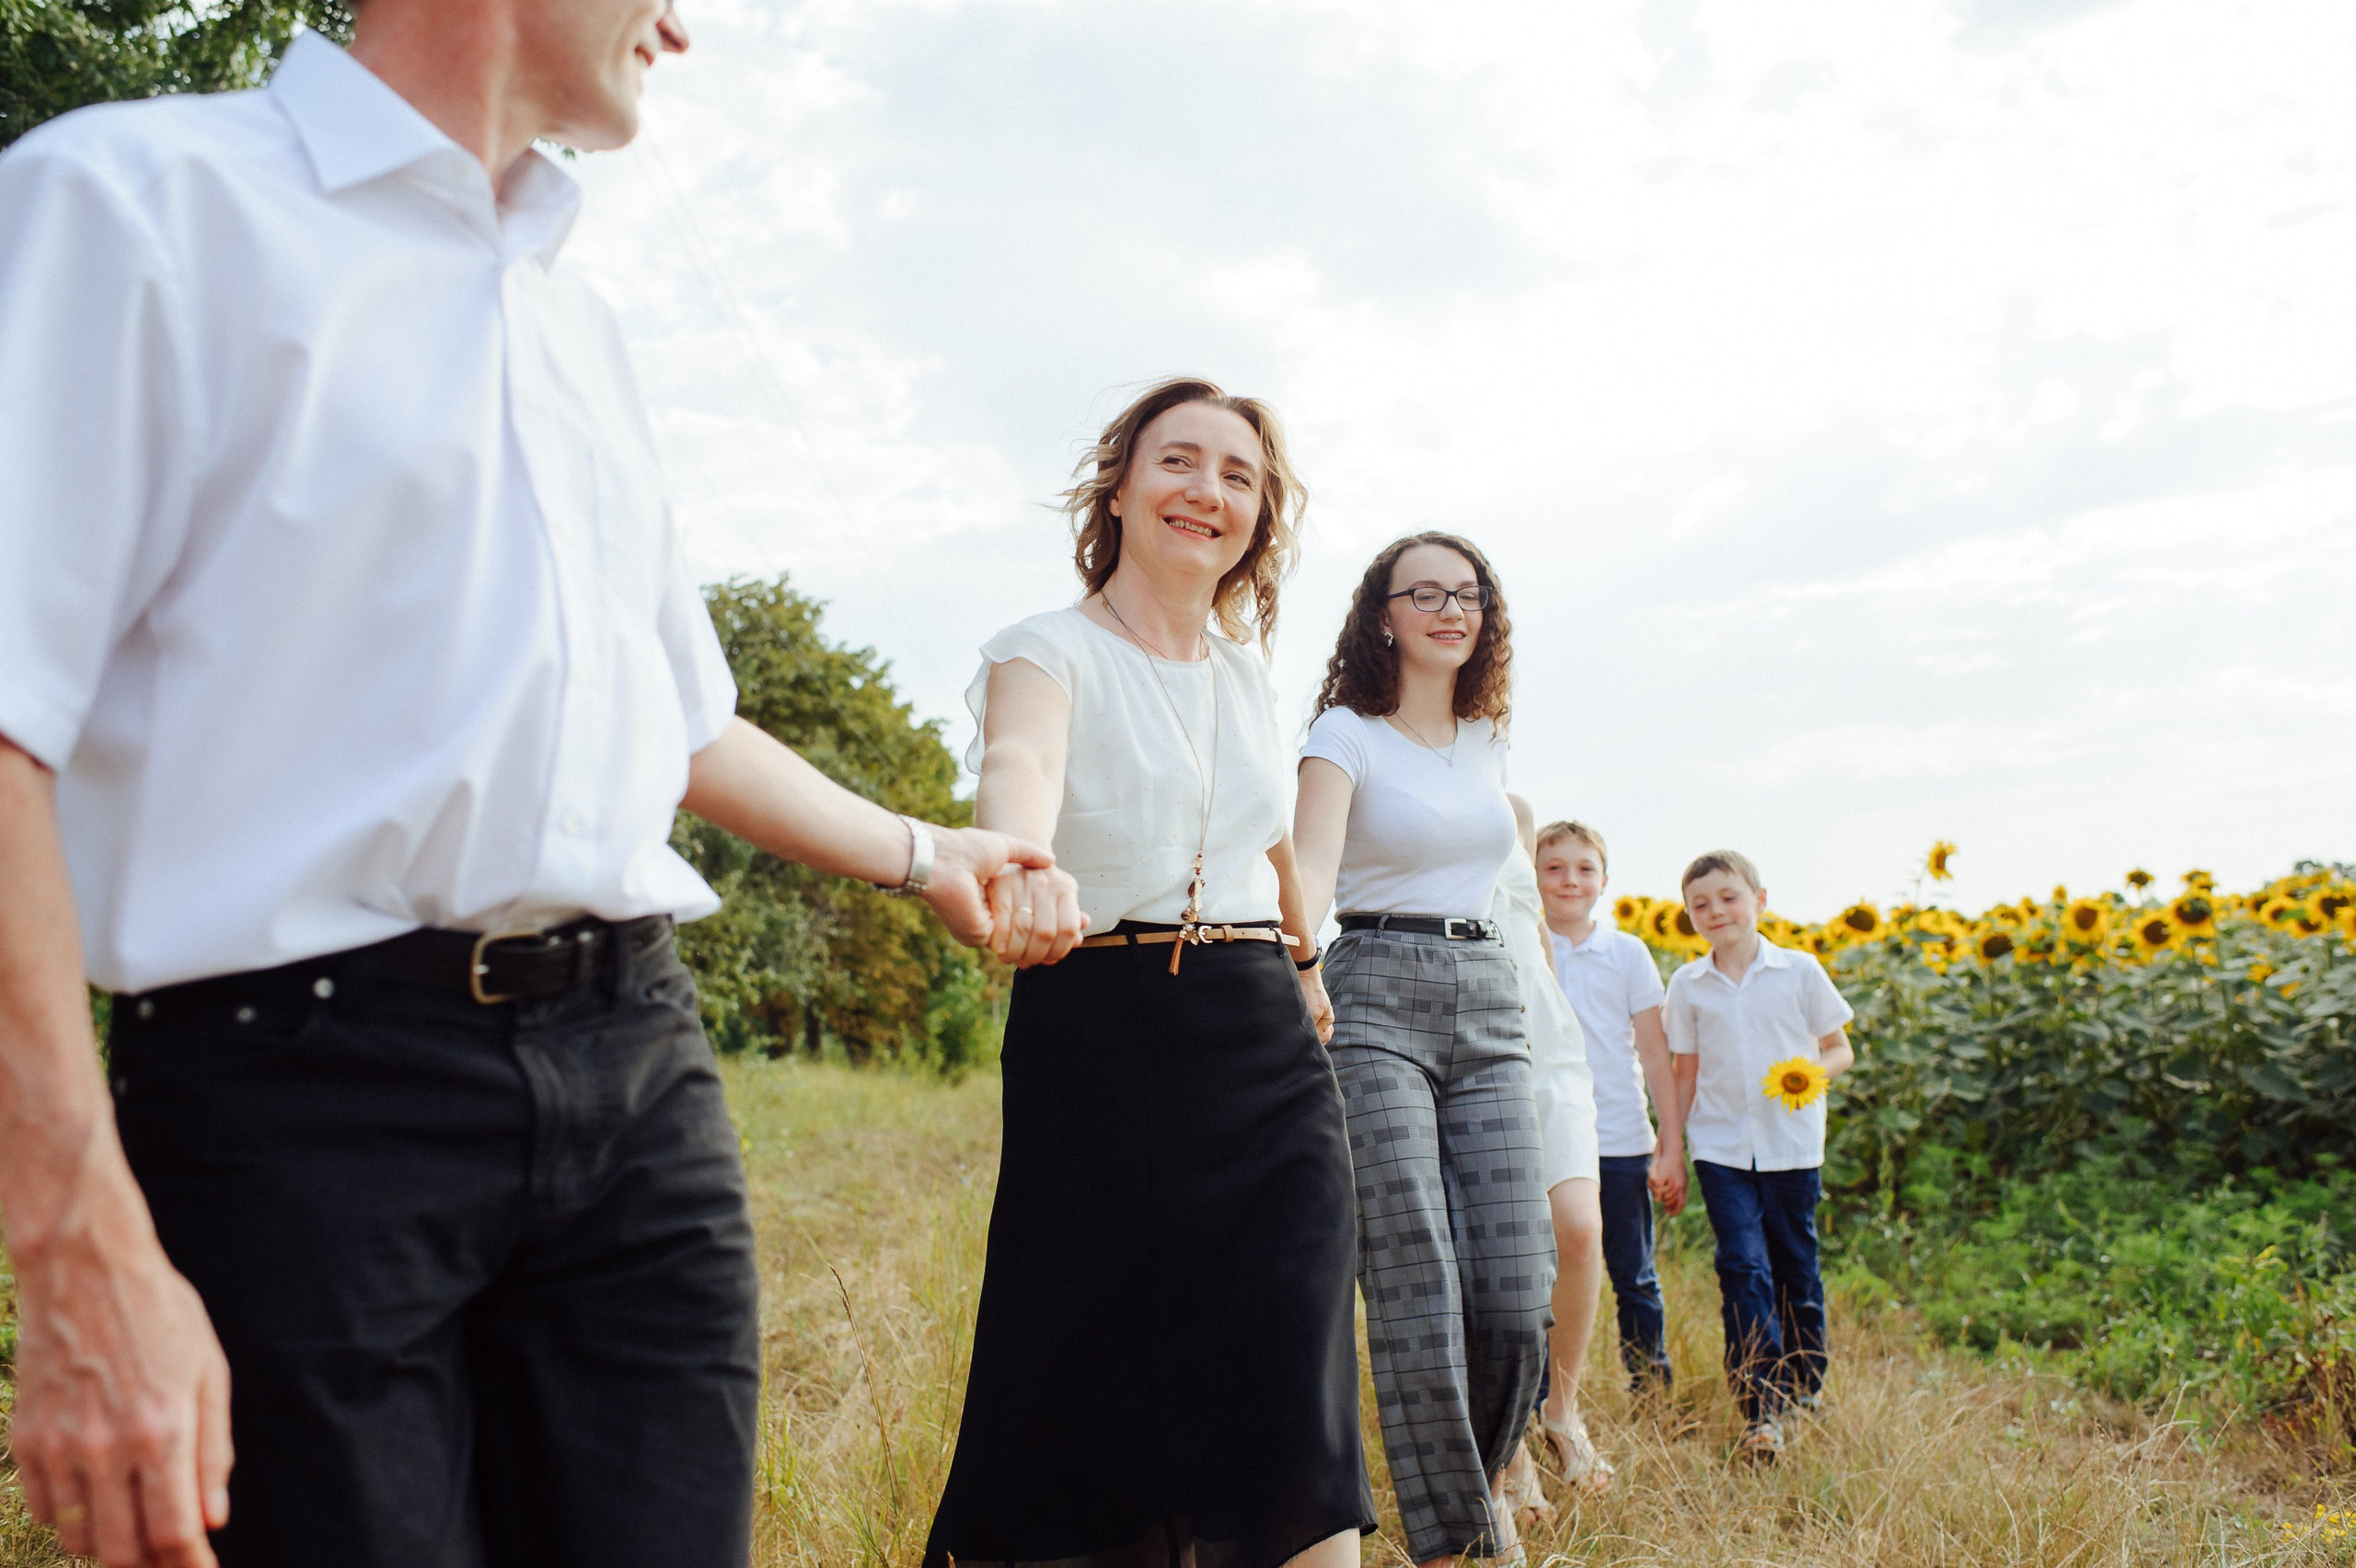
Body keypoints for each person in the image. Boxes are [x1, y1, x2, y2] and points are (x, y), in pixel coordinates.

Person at [0, 6, 1072, 1565]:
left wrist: (928, 849)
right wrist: (74, 1236)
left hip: (638, 1080)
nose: (681, 26)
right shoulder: (131, 203)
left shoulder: (576, 328)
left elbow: (677, 723)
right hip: (301, 1102)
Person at [924, 377, 1373, 1568]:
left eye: (1238, 476)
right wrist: (1017, 856)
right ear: (1119, 488)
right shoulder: (1046, 650)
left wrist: (1306, 957)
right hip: (1099, 1033)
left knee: (1295, 1387)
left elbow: (1268, 829)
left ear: (1259, 519)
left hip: (1265, 1048)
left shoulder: (1241, 673)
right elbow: (1020, 758)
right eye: (1180, 462)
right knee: (1095, 1387)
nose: (1206, 492)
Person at [1294, 532, 1553, 1568]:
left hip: (1491, 1000)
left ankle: (1481, 1476)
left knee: (1513, 1290)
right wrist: (1297, 963)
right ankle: (1457, 1541)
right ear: (1383, 613)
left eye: (1471, 594)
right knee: (1413, 1273)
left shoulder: (1489, 736)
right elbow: (1311, 867)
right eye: (1427, 593)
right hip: (1375, 993)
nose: (1452, 610)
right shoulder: (1344, 734)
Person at [1654, 850, 1856, 1458]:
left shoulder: (1799, 971)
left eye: (1728, 897)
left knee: (1797, 1268)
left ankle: (1804, 1385)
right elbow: (1683, 1073)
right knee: (1743, 1270)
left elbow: (1839, 1049)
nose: (1716, 911)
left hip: (1792, 1146)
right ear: (1689, 915)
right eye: (1701, 904)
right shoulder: (1688, 986)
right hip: (1722, 1151)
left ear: (1760, 900)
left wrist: (1809, 1074)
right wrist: (1672, 1148)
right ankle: (1760, 1408)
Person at [1488, 799, 1609, 1516]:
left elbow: (1533, 927)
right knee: (1501, 1255)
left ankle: (1560, 1410)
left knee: (1580, 1230)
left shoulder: (1516, 810)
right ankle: (1512, 1443)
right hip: (1471, 1028)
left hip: (1549, 1045)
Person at [1533, 821, 1677, 1404]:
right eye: (1554, 867)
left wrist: (1669, 1143)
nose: (1570, 879)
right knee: (1545, 1276)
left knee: (1633, 1274)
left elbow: (1656, 1055)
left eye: (1584, 868)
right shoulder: (1518, 944)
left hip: (1618, 1138)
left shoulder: (1626, 952)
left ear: (1605, 881)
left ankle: (1650, 1388)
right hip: (1546, 1137)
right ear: (1532, 877)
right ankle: (1544, 1396)